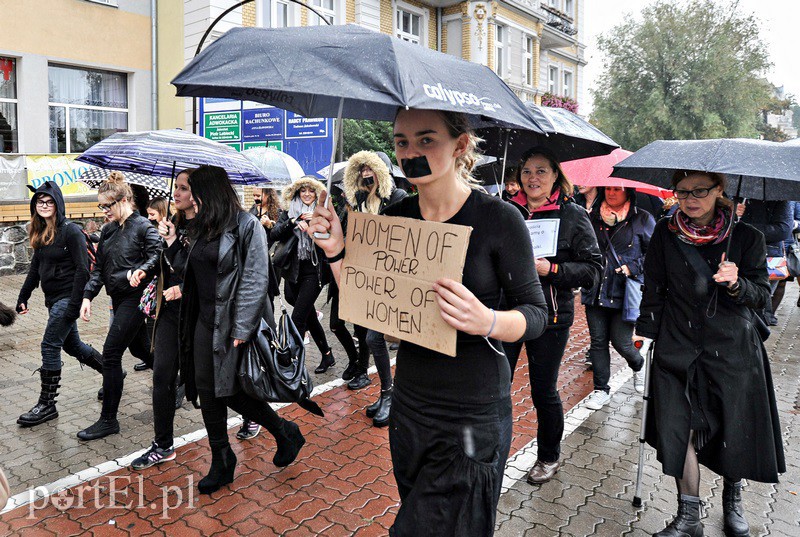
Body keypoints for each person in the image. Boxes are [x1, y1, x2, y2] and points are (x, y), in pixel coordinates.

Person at [309, 108, 548, 535]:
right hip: (411, 408)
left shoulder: (499, 220)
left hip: (473, 411)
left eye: (425, 140)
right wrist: (336, 253)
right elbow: (367, 300)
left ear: (459, 146)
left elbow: (535, 315)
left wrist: (487, 319)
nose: (410, 152)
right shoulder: (397, 219)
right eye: (401, 142)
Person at [636, 170, 785, 537]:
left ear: (719, 190)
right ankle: (688, 517)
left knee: (734, 426)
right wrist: (647, 331)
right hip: (677, 343)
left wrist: (737, 282)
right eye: (682, 192)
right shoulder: (665, 233)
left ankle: (732, 503)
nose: (690, 199)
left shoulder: (748, 237)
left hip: (731, 347)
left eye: (699, 190)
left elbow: (763, 298)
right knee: (677, 427)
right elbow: (653, 285)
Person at [159, 165, 305, 495]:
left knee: (236, 391)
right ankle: (222, 460)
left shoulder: (245, 225)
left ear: (208, 191)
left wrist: (242, 326)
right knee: (208, 392)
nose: (188, 194)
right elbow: (186, 271)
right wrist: (172, 239)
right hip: (201, 322)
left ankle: (284, 431)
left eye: (193, 188)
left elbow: (256, 278)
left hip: (232, 325)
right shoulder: (198, 226)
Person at [504, 147, 603, 485]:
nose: (533, 178)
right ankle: (493, 450)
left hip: (550, 317)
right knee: (497, 386)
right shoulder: (508, 211)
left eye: (541, 171)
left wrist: (553, 268)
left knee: (543, 390)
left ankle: (548, 457)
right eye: (527, 171)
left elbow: (592, 269)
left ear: (555, 176)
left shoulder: (572, 215)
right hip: (507, 313)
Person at [78, 171, 161, 440]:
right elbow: (99, 268)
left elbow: (158, 255)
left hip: (135, 299)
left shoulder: (144, 226)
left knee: (111, 353)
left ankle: (108, 420)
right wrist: (88, 297)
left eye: (107, 205)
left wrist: (143, 269)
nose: (104, 211)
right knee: (139, 348)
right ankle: (176, 375)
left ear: (124, 200)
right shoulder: (109, 230)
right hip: (117, 299)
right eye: (101, 205)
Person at [15, 181, 104, 427]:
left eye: (49, 201)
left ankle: (47, 405)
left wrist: (75, 304)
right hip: (53, 299)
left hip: (67, 299)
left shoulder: (70, 231)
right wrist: (23, 295)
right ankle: (112, 373)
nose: (44, 205)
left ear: (58, 204)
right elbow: (36, 267)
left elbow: (83, 270)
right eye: (39, 202)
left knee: (49, 345)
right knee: (73, 345)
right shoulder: (41, 230)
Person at [130, 171, 194, 470]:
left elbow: (209, 272)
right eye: (176, 188)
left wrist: (184, 287)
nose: (177, 194)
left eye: (183, 189)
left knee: (215, 380)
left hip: (199, 315)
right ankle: (163, 444)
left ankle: (253, 416)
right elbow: (165, 261)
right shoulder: (174, 224)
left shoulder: (208, 227)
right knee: (162, 376)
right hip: (169, 313)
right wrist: (147, 270)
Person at [339, 150, 407, 421]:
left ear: (383, 172)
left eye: (372, 169)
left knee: (375, 338)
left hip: (394, 280)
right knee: (371, 337)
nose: (367, 174)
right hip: (370, 280)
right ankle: (387, 393)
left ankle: (392, 395)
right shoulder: (359, 202)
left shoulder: (397, 198)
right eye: (362, 170)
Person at [581, 187, 655, 409]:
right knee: (598, 342)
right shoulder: (592, 216)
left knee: (621, 342)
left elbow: (653, 255)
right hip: (595, 289)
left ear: (628, 192)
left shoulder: (642, 218)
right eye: (609, 189)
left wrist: (633, 267)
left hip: (625, 292)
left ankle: (639, 363)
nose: (612, 193)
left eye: (617, 189)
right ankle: (600, 390)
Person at [270, 176, 335, 374]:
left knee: (297, 319)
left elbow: (331, 240)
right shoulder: (288, 212)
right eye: (302, 191)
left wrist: (312, 231)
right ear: (297, 193)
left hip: (314, 272)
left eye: (310, 191)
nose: (307, 194)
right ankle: (327, 354)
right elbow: (274, 235)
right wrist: (292, 222)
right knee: (308, 315)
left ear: (316, 193)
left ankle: (295, 365)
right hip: (292, 272)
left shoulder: (323, 213)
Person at [737, 199, 793, 325]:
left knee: (758, 306)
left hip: (767, 257)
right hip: (734, 255)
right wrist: (731, 213)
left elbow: (783, 229)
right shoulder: (732, 194)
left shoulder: (778, 197)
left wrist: (744, 227)